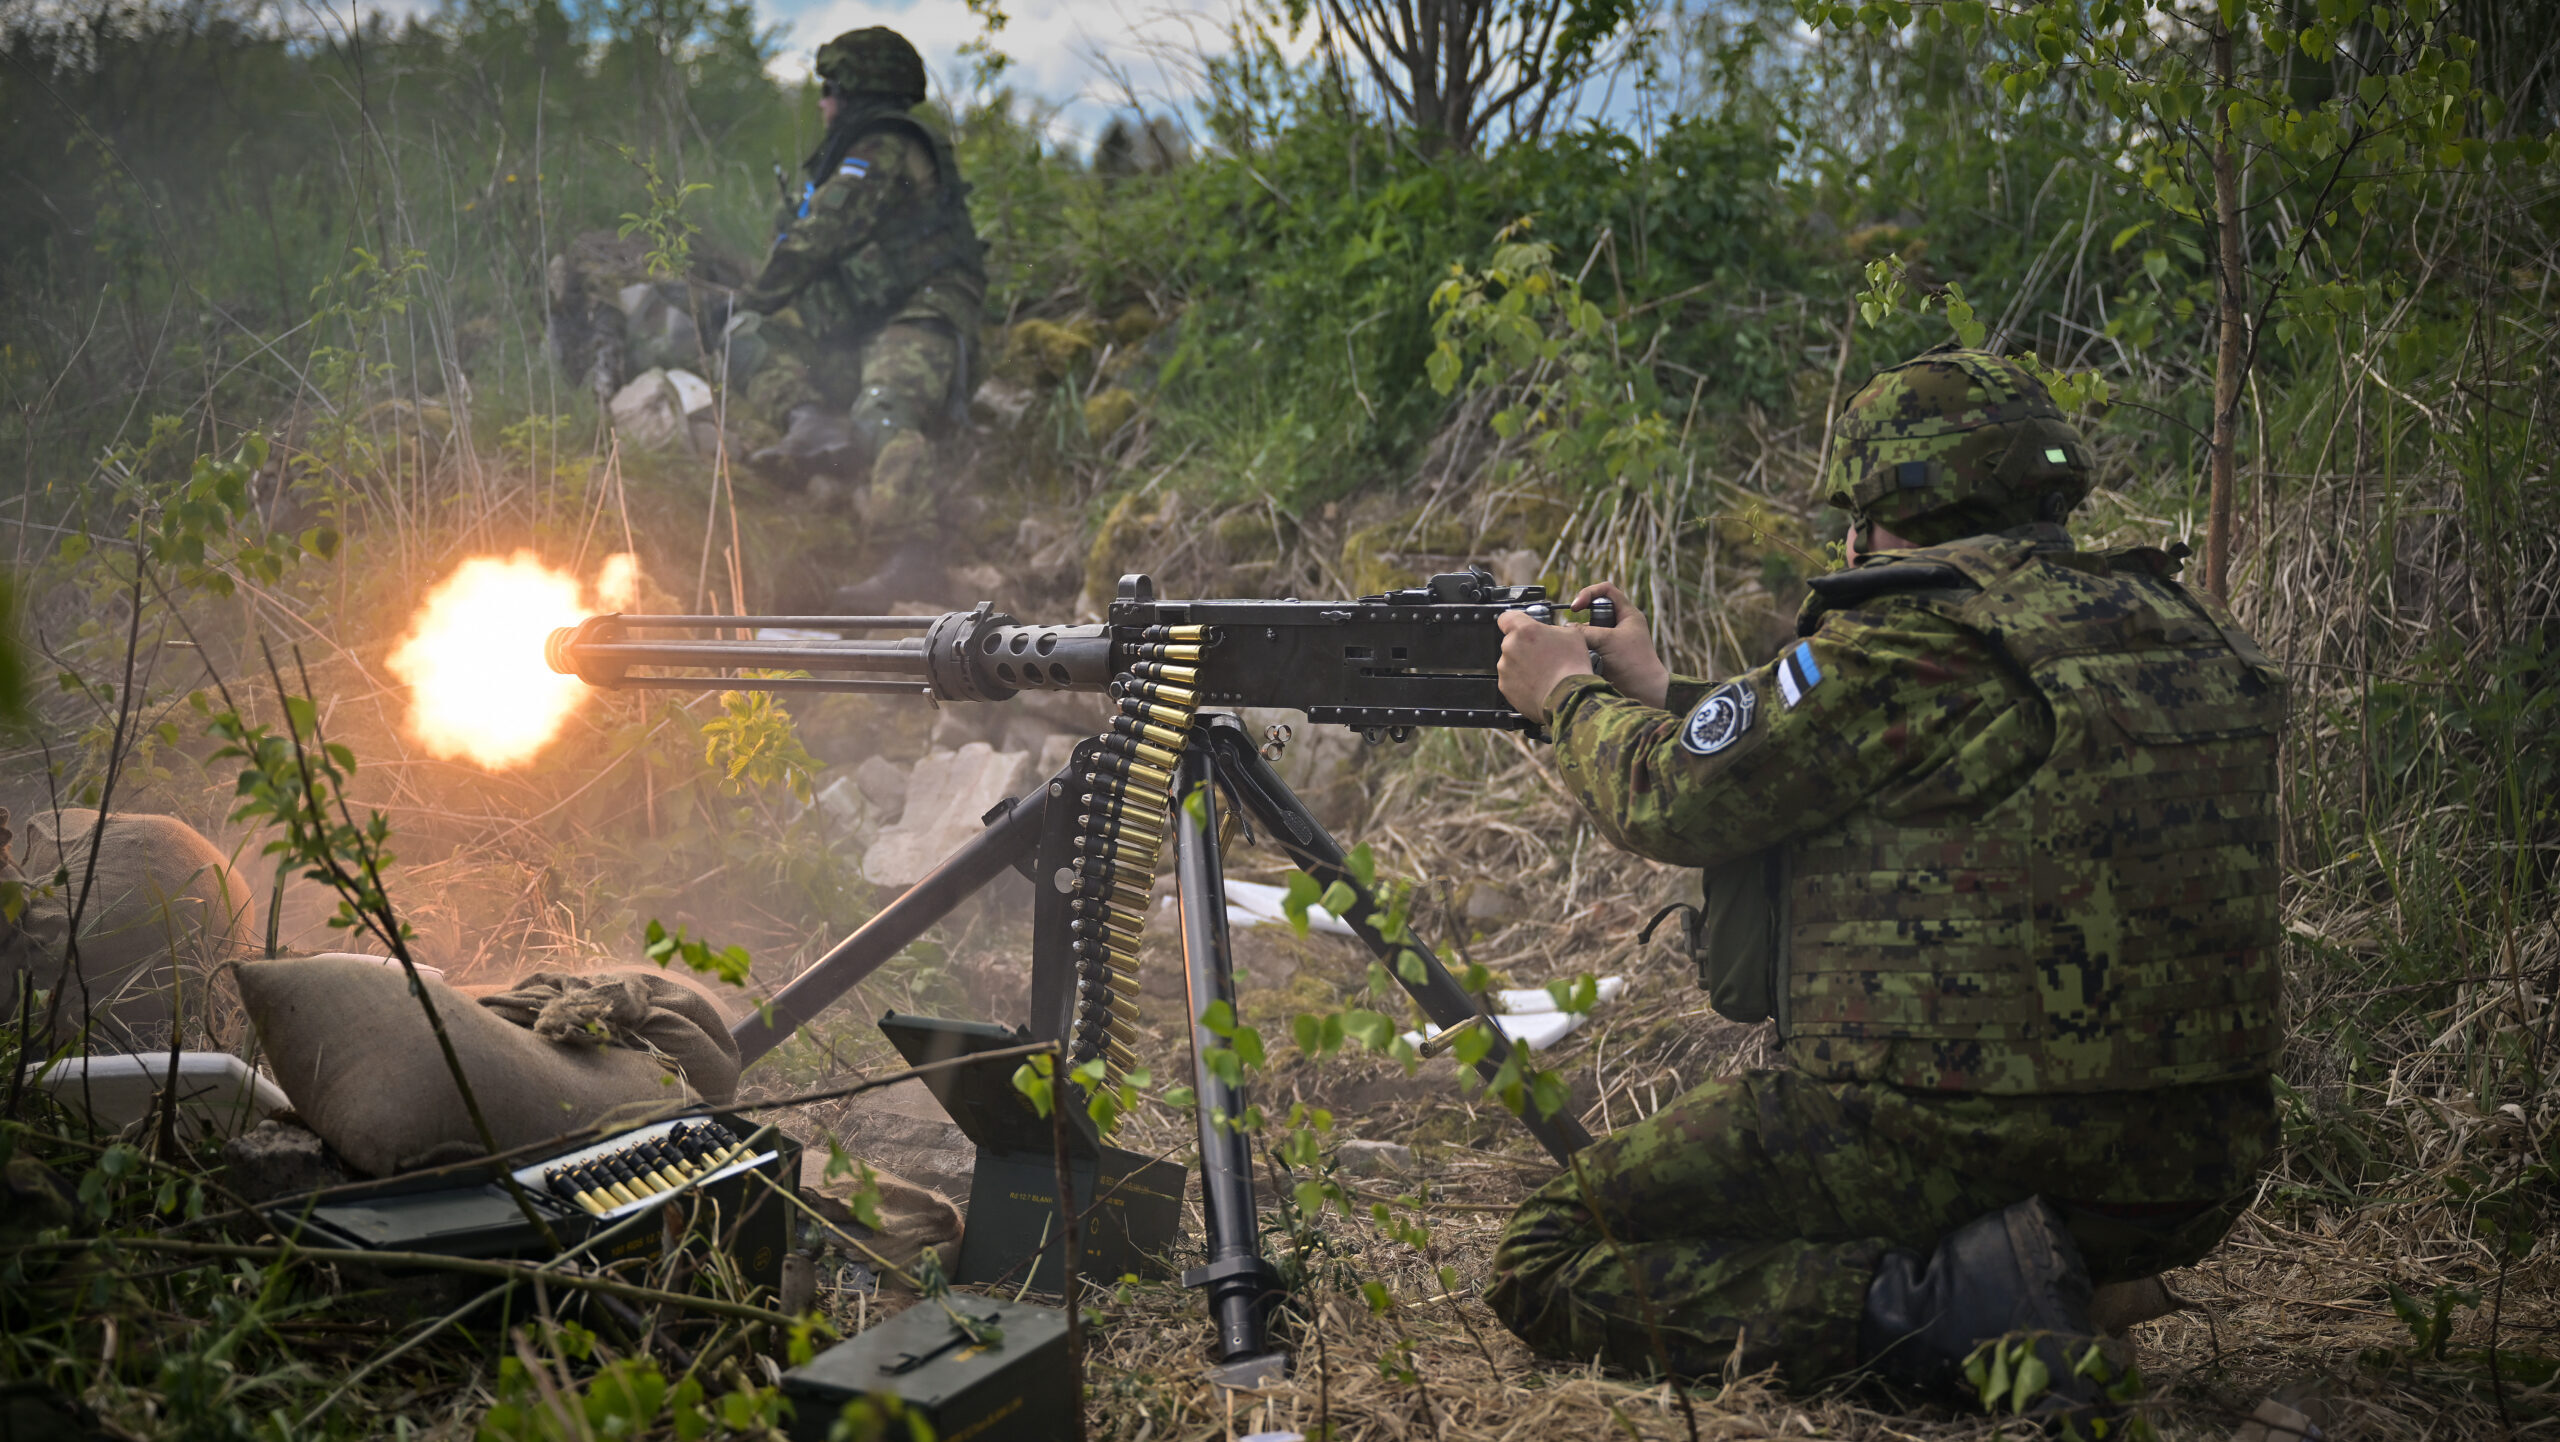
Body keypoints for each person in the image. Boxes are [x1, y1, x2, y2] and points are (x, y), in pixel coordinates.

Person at [1484, 347, 2287, 1416]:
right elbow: (1832, 745)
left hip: (1953, 1142)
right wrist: (1659, 687)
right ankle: (2071, 1271)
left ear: (1875, 514)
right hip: (2198, 1165)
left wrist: (1568, 695)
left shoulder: (1903, 638)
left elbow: (1667, 799)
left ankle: (1962, 1309)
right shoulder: (2177, 622)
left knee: (1543, 1252)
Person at [726, 26, 987, 610]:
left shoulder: (884, 145)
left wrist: (752, 295)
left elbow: (822, 236)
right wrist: (748, 312)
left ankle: (913, 561)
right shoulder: (855, 151)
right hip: (862, 331)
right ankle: (813, 421)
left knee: (883, 406)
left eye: (829, 89)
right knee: (745, 337)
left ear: (854, 91)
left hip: (923, 315)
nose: (821, 103)